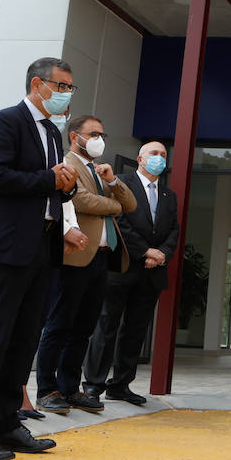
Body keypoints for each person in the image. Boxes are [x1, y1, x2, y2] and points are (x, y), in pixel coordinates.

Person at [0, 58, 79, 460]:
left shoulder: (52, 132)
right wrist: (50, 179)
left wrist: (65, 186)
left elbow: (52, 188)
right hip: (6, 248)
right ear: (37, 84)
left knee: (24, 340)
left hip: (42, 248)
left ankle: (6, 422)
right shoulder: (5, 122)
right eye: (61, 86)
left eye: (70, 88)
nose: (66, 94)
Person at [34, 115, 135, 415]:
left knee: (83, 328)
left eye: (102, 134)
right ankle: (46, 389)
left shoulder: (100, 170)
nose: (98, 139)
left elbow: (130, 204)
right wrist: (115, 206)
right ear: (74, 136)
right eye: (93, 134)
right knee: (59, 324)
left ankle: (70, 388)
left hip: (101, 257)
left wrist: (113, 182)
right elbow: (80, 200)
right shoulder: (67, 164)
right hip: (74, 256)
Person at [84, 141, 179, 406]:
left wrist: (161, 254)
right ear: (140, 159)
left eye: (163, 154)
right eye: (154, 154)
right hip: (122, 266)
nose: (159, 158)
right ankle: (93, 385)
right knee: (107, 325)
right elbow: (118, 220)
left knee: (136, 330)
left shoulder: (169, 195)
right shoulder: (120, 183)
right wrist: (145, 251)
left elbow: (173, 229)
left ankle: (120, 385)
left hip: (152, 272)